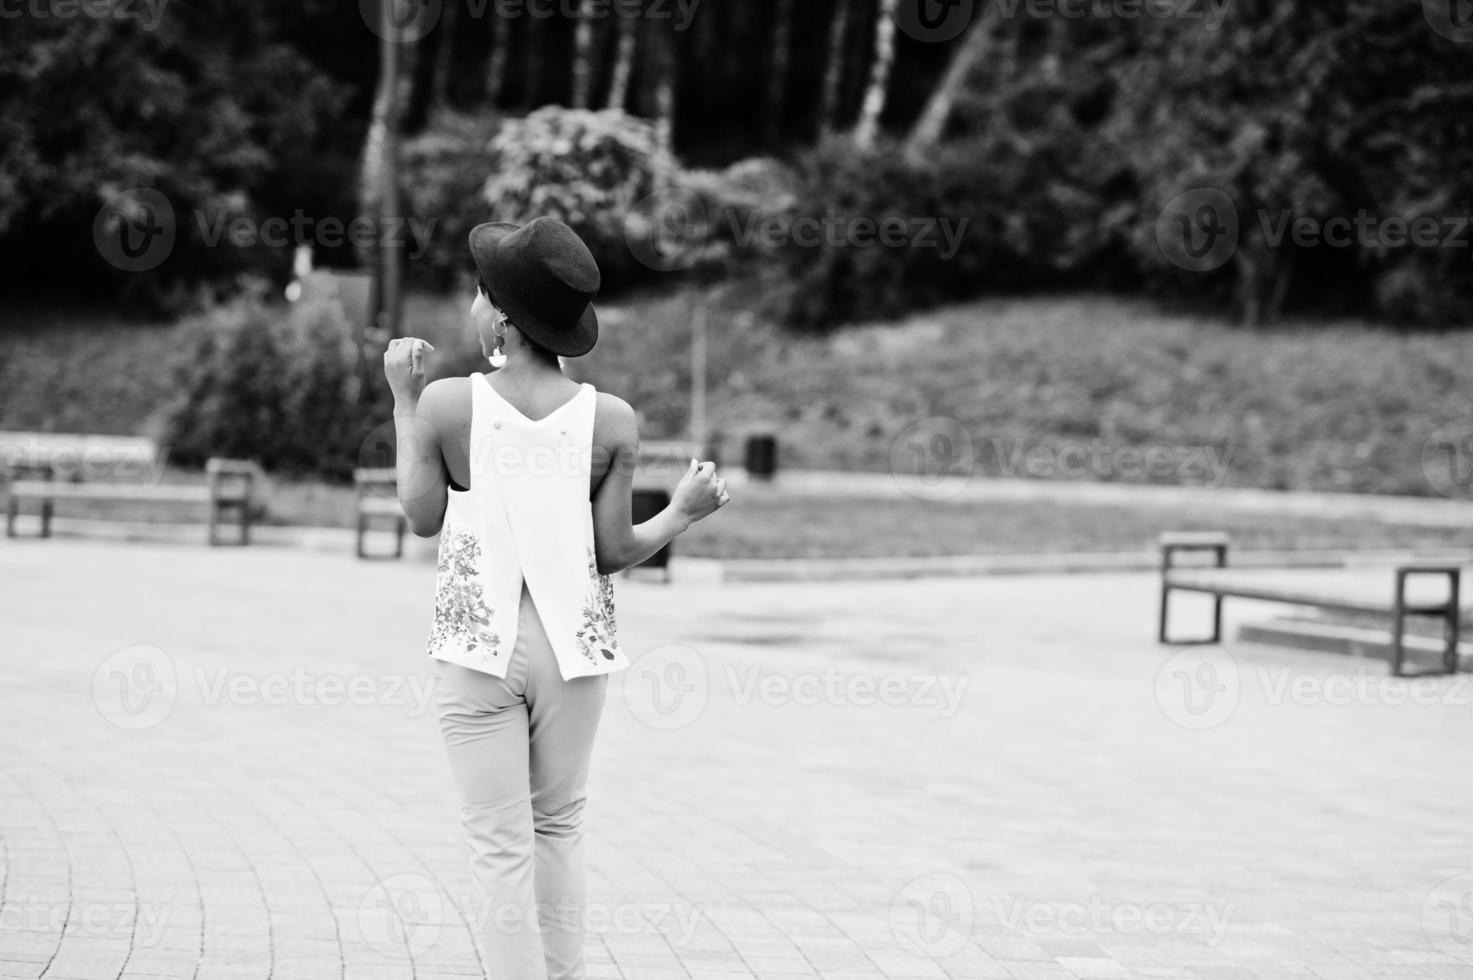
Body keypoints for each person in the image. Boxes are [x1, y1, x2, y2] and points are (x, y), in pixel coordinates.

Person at [382, 216, 729, 979]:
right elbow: (614, 551)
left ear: (502, 317)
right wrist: (682, 511)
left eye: (479, 295)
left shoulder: (446, 404)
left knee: (500, 845)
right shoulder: (610, 419)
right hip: (574, 654)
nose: (473, 309)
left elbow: (420, 516)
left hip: (479, 648)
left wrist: (403, 403)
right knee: (558, 829)